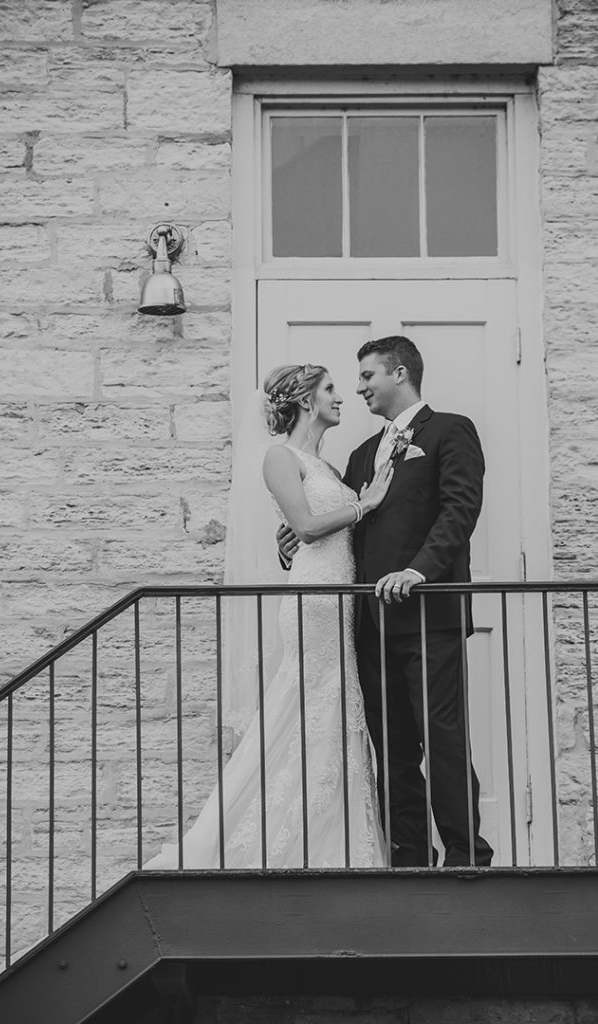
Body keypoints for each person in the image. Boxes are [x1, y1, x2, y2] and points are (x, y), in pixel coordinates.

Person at [146, 363, 392, 870]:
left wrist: (356, 507)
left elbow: (312, 529)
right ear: (305, 400)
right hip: (315, 600)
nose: (340, 397)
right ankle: (241, 839)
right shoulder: (279, 456)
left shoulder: (324, 465)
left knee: (332, 714)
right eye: (329, 389)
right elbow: (303, 527)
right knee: (306, 706)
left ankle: (330, 843)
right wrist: (366, 506)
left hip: (338, 600)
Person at [280, 337, 493, 868]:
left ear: (399, 373)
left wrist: (418, 571)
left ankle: (467, 855)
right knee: (393, 748)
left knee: (441, 737)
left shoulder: (450, 431)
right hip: (369, 624)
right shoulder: (358, 456)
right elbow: (344, 524)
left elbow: (460, 510)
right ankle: (410, 857)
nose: (358, 388)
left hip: (429, 616)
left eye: (368, 376)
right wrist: (292, 537)